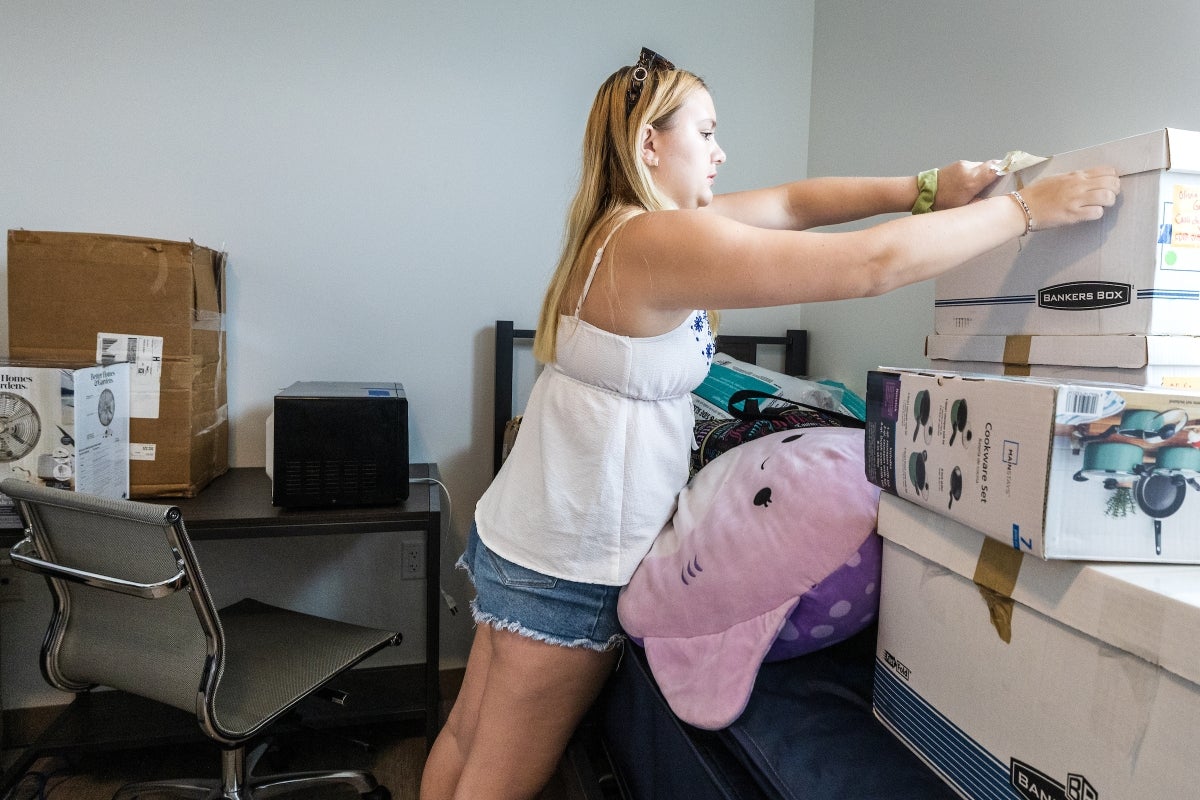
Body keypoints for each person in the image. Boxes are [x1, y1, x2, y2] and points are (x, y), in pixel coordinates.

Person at [420, 48, 1119, 800]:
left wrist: (925, 190)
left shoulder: (623, 228)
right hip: (572, 561)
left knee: (467, 734)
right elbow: (867, 267)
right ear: (649, 143)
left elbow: (792, 205)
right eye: (707, 132)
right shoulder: (657, 243)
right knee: (501, 774)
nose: (721, 154)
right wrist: (1022, 211)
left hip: (526, 533)